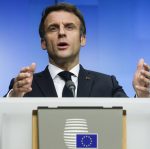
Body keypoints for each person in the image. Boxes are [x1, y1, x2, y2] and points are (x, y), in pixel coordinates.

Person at [6, 2, 150, 97]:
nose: (61, 33)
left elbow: (128, 121)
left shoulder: (107, 84)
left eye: (69, 27)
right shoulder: (23, 87)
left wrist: (142, 97)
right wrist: (13, 97)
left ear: (82, 39)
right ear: (43, 42)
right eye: (53, 28)